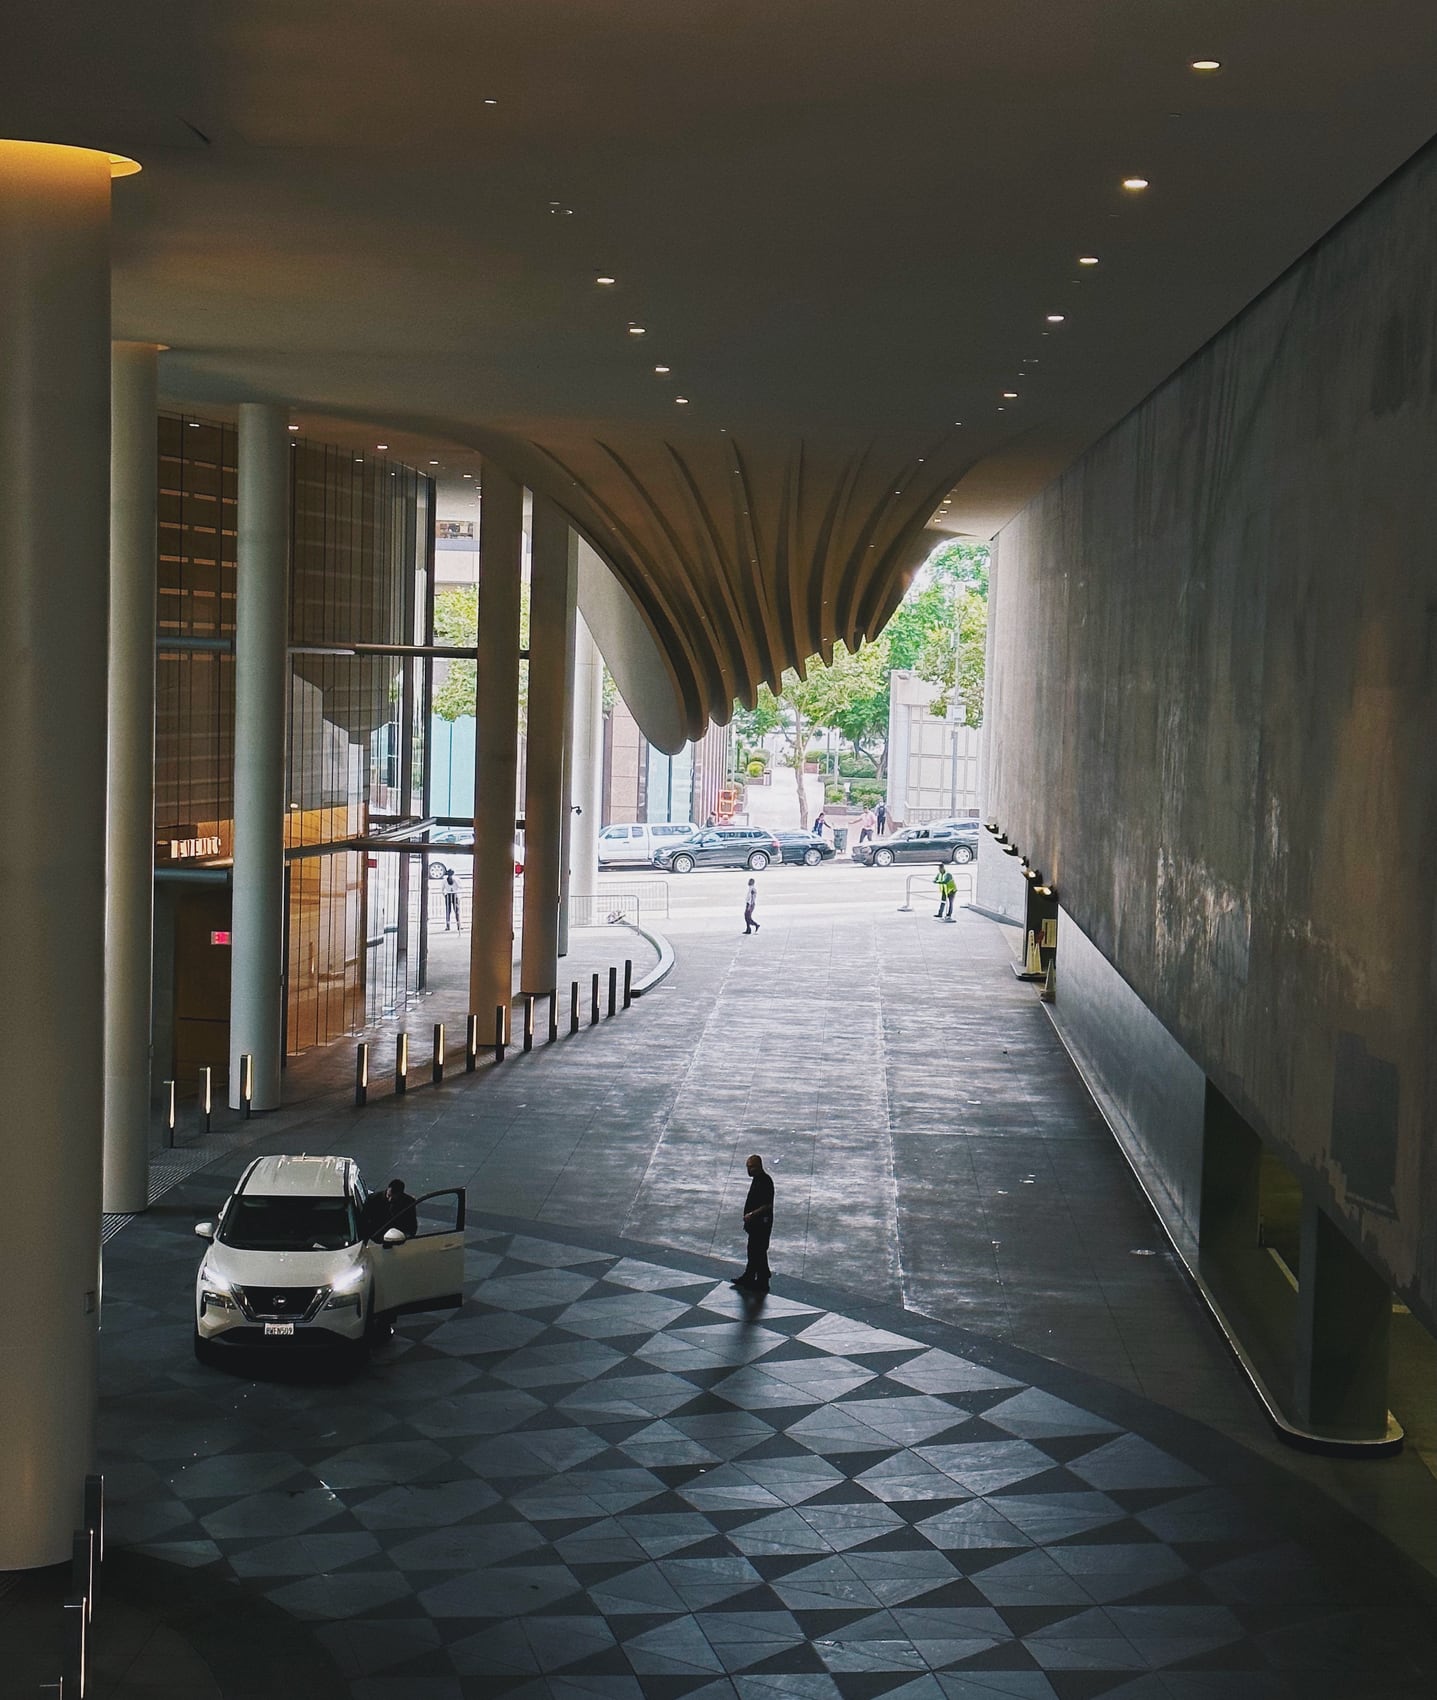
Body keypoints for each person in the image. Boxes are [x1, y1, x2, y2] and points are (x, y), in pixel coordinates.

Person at [732, 1153, 774, 1291]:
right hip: (755, 1223)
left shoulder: (765, 1181)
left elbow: (767, 1205)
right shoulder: (757, 1179)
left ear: (758, 1166)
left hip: (761, 1224)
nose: (749, 1170)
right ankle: (752, 1276)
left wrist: (751, 1215)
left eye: (751, 1167)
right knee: (754, 1250)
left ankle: (761, 1279)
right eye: (748, 1167)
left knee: (758, 1251)